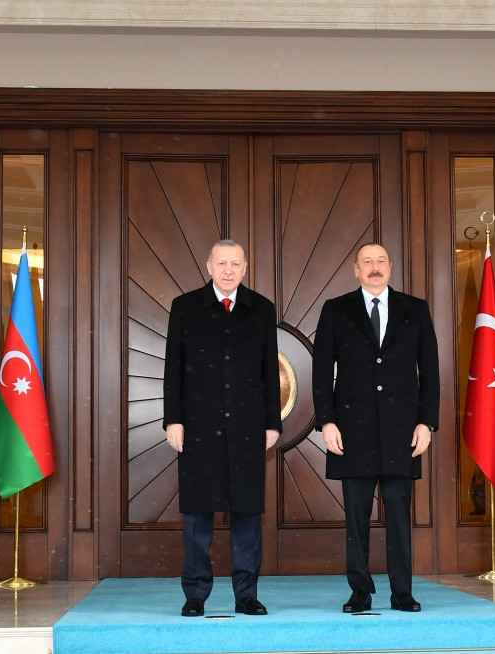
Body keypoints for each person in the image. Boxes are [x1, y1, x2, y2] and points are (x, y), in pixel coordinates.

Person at [311, 243, 439, 613]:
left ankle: (402, 592)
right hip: (352, 430)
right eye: (367, 261)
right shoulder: (336, 309)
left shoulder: (415, 309)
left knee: (398, 514)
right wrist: (327, 421)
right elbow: (322, 370)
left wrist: (427, 423)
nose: (374, 267)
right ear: (356, 269)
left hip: (403, 431)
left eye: (381, 261)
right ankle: (360, 592)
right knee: (356, 517)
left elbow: (430, 369)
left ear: (390, 267)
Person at [162, 239, 282, 618]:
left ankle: (246, 594)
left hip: (248, 426)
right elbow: (173, 369)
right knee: (198, 514)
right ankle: (195, 594)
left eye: (235, 264)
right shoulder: (185, 308)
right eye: (222, 263)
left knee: (247, 513)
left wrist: (272, 423)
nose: (228, 270)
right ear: (209, 266)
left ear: (245, 268)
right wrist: (173, 419)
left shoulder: (261, 309)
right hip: (198, 425)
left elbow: (269, 371)